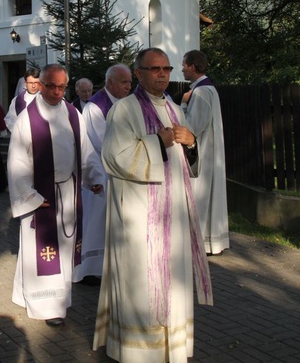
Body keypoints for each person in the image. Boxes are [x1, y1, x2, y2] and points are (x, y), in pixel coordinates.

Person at [93, 48, 213, 362]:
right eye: (154, 68)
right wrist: (157, 141)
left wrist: (192, 143)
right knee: (141, 285)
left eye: (166, 68)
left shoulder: (175, 108)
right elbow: (114, 158)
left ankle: (170, 348)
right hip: (138, 218)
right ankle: (138, 353)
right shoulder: (124, 110)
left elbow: (185, 159)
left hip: (172, 216)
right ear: (139, 73)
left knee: (173, 281)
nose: (161, 74)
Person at [7, 64, 104, 326]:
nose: (56, 92)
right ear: (41, 84)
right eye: (51, 86)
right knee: (42, 251)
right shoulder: (28, 118)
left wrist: (94, 177)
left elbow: (85, 149)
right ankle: (47, 306)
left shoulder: (73, 113)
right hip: (41, 195)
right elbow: (17, 161)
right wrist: (29, 195)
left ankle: (58, 301)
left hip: (68, 191)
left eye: (62, 87)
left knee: (62, 249)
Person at [72, 64, 132, 285]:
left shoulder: (125, 102)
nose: (129, 86)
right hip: (99, 174)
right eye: (124, 82)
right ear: (110, 83)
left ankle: (111, 266)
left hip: (120, 171)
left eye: (129, 82)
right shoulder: (96, 107)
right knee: (96, 222)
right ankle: (90, 270)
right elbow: (103, 142)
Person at [181, 50, 230, 254]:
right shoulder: (207, 89)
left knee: (199, 194)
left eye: (184, 65)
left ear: (192, 66)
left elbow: (192, 126)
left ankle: (199, 241)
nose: (182, 69)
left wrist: (182, 105)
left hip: (202, 153)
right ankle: (210, 241)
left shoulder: (200, 92)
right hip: (209, 151)